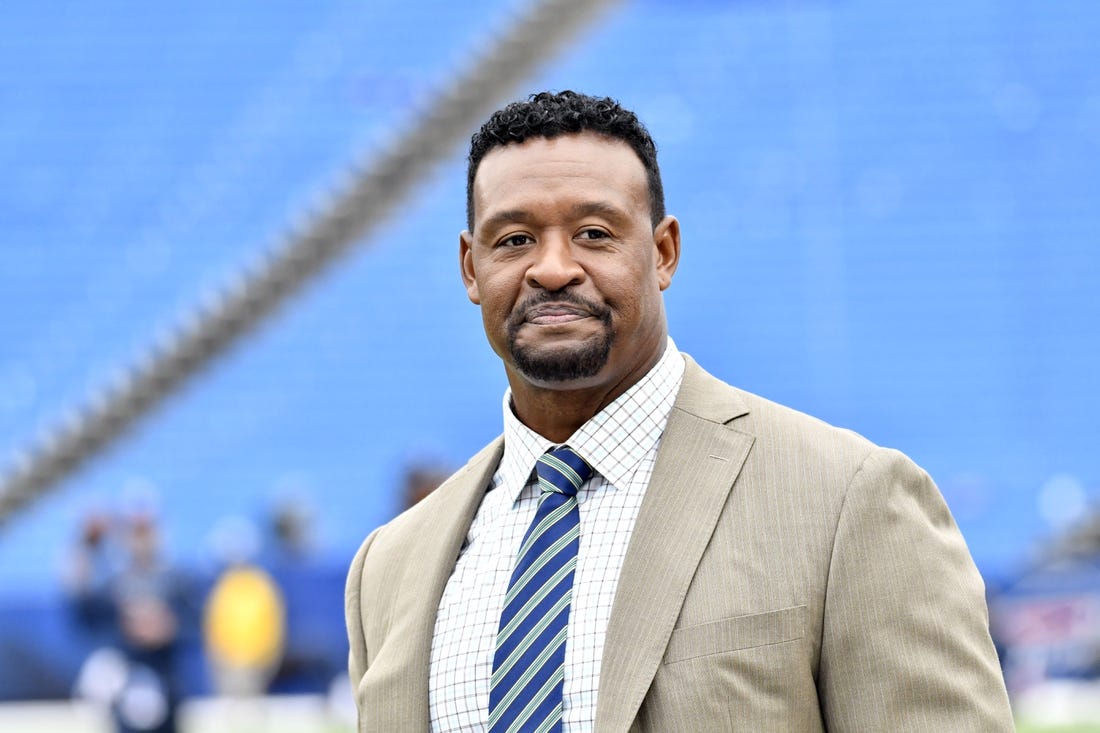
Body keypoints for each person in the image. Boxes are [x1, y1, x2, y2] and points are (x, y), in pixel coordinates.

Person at [345, 91, 1015, 731]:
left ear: (663, 252)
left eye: (593, 232)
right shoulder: (389, 568)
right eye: (515, 239)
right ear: (470, 267)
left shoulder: (848, 502)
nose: (552, 268)